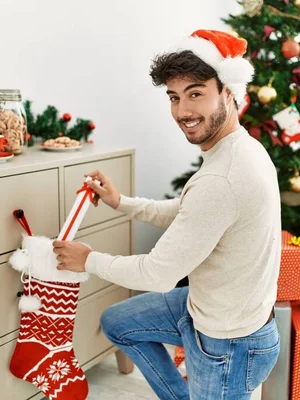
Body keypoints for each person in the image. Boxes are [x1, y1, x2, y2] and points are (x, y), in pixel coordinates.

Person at [52, 29, 281, 400]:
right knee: (118, 322)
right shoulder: (238, 150)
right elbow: (187, 212)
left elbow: (159, 274)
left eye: (195, 94)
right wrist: (120, 201)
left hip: (229, 344)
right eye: (174, 97)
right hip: (218, 309)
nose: (182, 111)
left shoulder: (222, 176)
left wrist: (88, 260)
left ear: (228, 92)